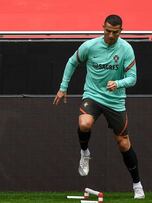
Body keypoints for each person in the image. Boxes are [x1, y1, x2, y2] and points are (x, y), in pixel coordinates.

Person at [53, 14, 145, 199]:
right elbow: (72, 62)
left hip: (115, 100)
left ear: (121, 31)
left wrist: (118, 84)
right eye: (108, 31)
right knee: (84, 123)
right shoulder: (90, 46)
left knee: (123, 143)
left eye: (115, 32)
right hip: (93, 95)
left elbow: (133, 78)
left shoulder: (126, 49)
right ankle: (85, 152)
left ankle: (137, 185)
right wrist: (63, 88)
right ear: (103, 27)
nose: (111, 35)